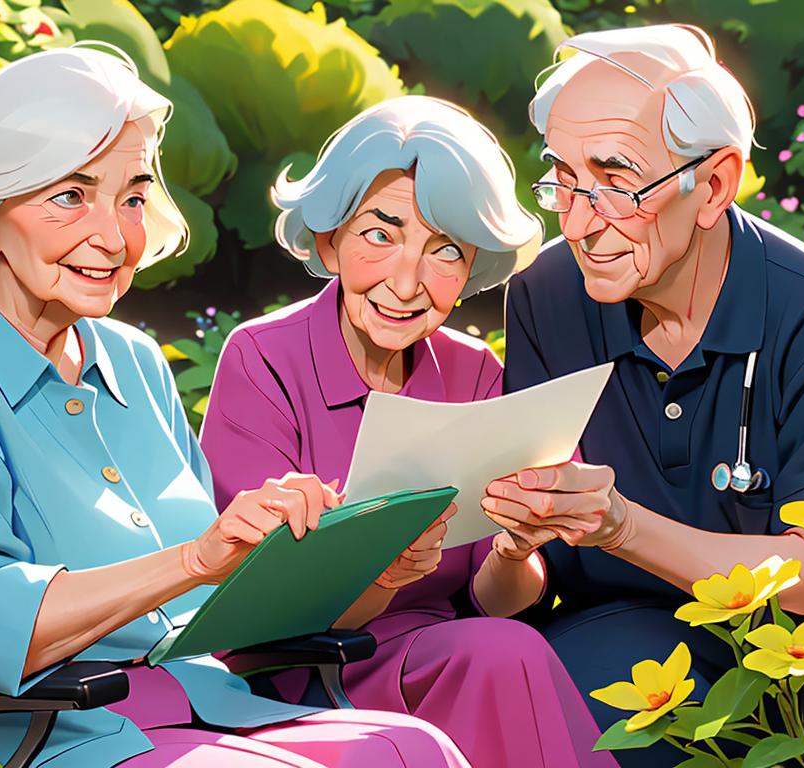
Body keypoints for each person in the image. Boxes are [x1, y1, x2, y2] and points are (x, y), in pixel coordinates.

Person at [0, 44, 471, 768]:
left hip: (207, 707)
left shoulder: (136, 361)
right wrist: (195, 559)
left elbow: (219, 612)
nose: (114, 236)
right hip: (52, 735)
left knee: (417, 749)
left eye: (130, 197)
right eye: (69, 196)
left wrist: (359, 558)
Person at [475, 24, 804, 765]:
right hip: (636, 629)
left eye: (615, 182)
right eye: (562, 178)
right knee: (522, 694)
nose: (576, 221)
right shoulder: (546, 297)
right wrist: (513, 540)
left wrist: (618, 526)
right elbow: (529, 586)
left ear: (715, 183)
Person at [200, 96, 616, 768]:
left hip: (446, 655)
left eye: (445, 250)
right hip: (301, 669)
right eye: (380, 234)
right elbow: (258, 615)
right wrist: (386, 575)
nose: (406, 281)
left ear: (473, 265)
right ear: (331, 238)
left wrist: (515, 548)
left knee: (504, 650)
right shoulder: (261, 359)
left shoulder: (475, 368)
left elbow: (496, 601)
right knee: (499, 658)